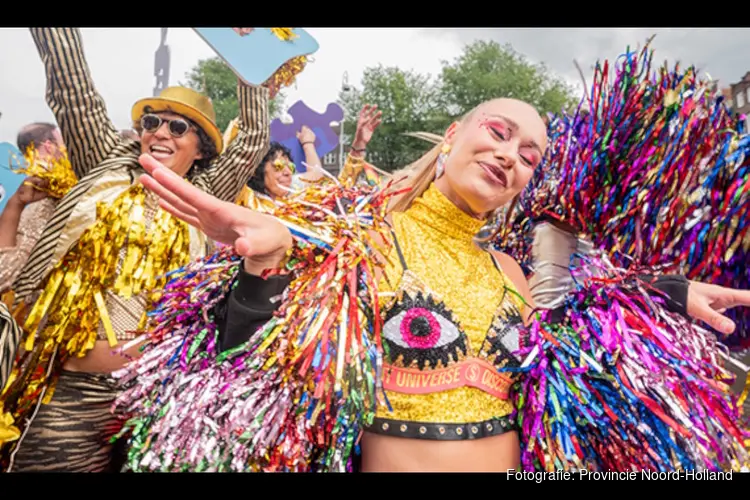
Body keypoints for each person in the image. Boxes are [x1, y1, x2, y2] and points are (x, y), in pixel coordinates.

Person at [114, 93, 750, 472]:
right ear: (452, 137)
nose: (510, 155)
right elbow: (243, 378)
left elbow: (578, 336)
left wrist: (662, 294)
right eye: (498, 134)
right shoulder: (358, 239)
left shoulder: (509, 272)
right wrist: (264, 270)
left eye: (529, 155)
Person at [0, 26, 276, 472]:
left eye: (177, 126)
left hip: (160, 398)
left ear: (201, 149)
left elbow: (251, 141)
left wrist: (253, 60)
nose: (160, 132)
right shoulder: (104, 160)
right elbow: (74, 92)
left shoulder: (206, 191)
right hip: (74, 394)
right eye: (151, 122)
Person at [0, 123, 65, 295]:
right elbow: (5, 276)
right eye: (63, 141)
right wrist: (14, 206)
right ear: (49, 146)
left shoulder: (12, 175)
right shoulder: (38, 198)